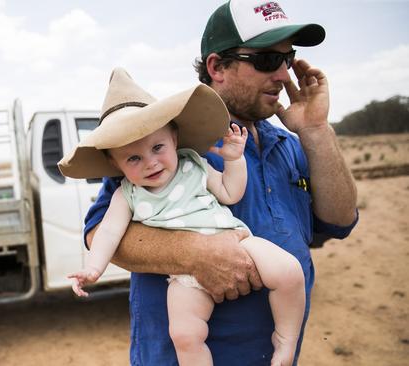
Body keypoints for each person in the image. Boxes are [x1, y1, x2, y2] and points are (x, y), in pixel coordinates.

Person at [76, 0, 359, 365]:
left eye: (287, 60)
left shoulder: (292, 144)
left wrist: (317, 130)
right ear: (217, 67)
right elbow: (100, 234)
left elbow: (339, 221)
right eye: (268, 61)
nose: (284, 76)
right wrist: (194, 254)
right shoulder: (162, 148)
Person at [59, 67, 306, 366]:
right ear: (115, 163)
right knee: (185, 335)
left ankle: (285, 339)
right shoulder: (127, 194)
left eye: (157, 147)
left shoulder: (194, 165)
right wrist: (93, 269)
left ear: (174, 138)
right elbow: (108, 232)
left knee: (291, 272)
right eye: (134, 158)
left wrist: (234, 160)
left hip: (235, 240)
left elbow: (230, 192)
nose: (150, 162)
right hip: (183, 278)